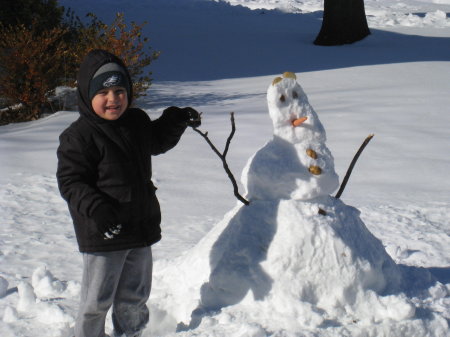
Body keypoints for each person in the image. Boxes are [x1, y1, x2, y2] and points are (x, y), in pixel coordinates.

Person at [56, 49, 201, 337]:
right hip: (104, 231)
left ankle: (133, 333)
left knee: (134, 296)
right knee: (97, 300)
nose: (113, 99)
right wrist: (97, 209)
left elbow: (156, 141)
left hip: (139, 225)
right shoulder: (79, 136)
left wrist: (175, 120)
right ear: (87, 94)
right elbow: (71, 182)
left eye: (120, 90)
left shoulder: (135, 122)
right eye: (104, 92)